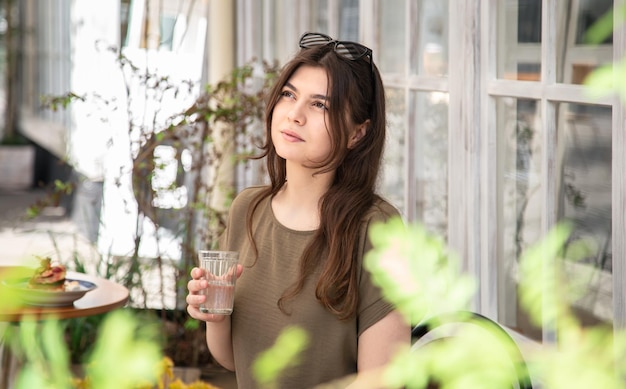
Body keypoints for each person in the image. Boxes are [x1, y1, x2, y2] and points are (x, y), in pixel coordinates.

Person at [186, 31, 410, 388]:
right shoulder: (248, 208)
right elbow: (231, 359)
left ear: (358, 133)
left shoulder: (376, 227)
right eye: (289, 95)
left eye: (320, 105)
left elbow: (382, 380)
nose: (294, 114)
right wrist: (213, 314)